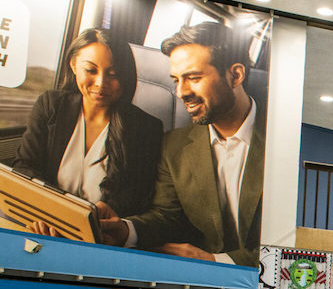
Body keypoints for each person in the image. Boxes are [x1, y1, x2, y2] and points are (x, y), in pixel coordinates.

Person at [98, 22, 265, 265]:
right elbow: (167, 217)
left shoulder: (284, 145)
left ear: (235, 75)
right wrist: (126, 230)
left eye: (193, 78)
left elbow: (295, 241)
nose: (181, 92)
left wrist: (216, 261)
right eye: (176, 80)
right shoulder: (173, 147)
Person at [14, 28, 164, 231]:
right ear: (73, 65)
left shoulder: (146, 127)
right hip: (43, 223)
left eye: (113, 74)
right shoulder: (50, 106)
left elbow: (139, 195)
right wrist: (45, 212)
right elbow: (25, 166)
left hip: (101, 232)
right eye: (91, 70)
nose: (101, 83)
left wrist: (109, 210)